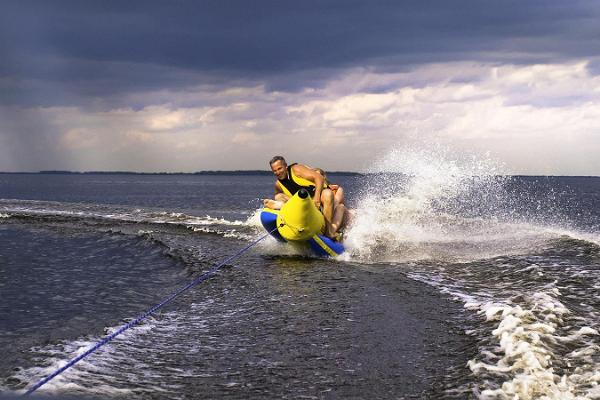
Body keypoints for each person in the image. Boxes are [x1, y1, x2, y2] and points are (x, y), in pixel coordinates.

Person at [263, 156, 341, 239]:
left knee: (328, 194)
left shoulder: (296, 169)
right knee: (278, 196)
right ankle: (281, 206)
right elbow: (278, 195)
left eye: (279, 169)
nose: (278, 172)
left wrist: (317, 198)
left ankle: (328, 231)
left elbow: (319, 178)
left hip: (317, 197)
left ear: (286, 166)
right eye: (275, 171)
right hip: (302, 203)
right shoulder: (278, 184)